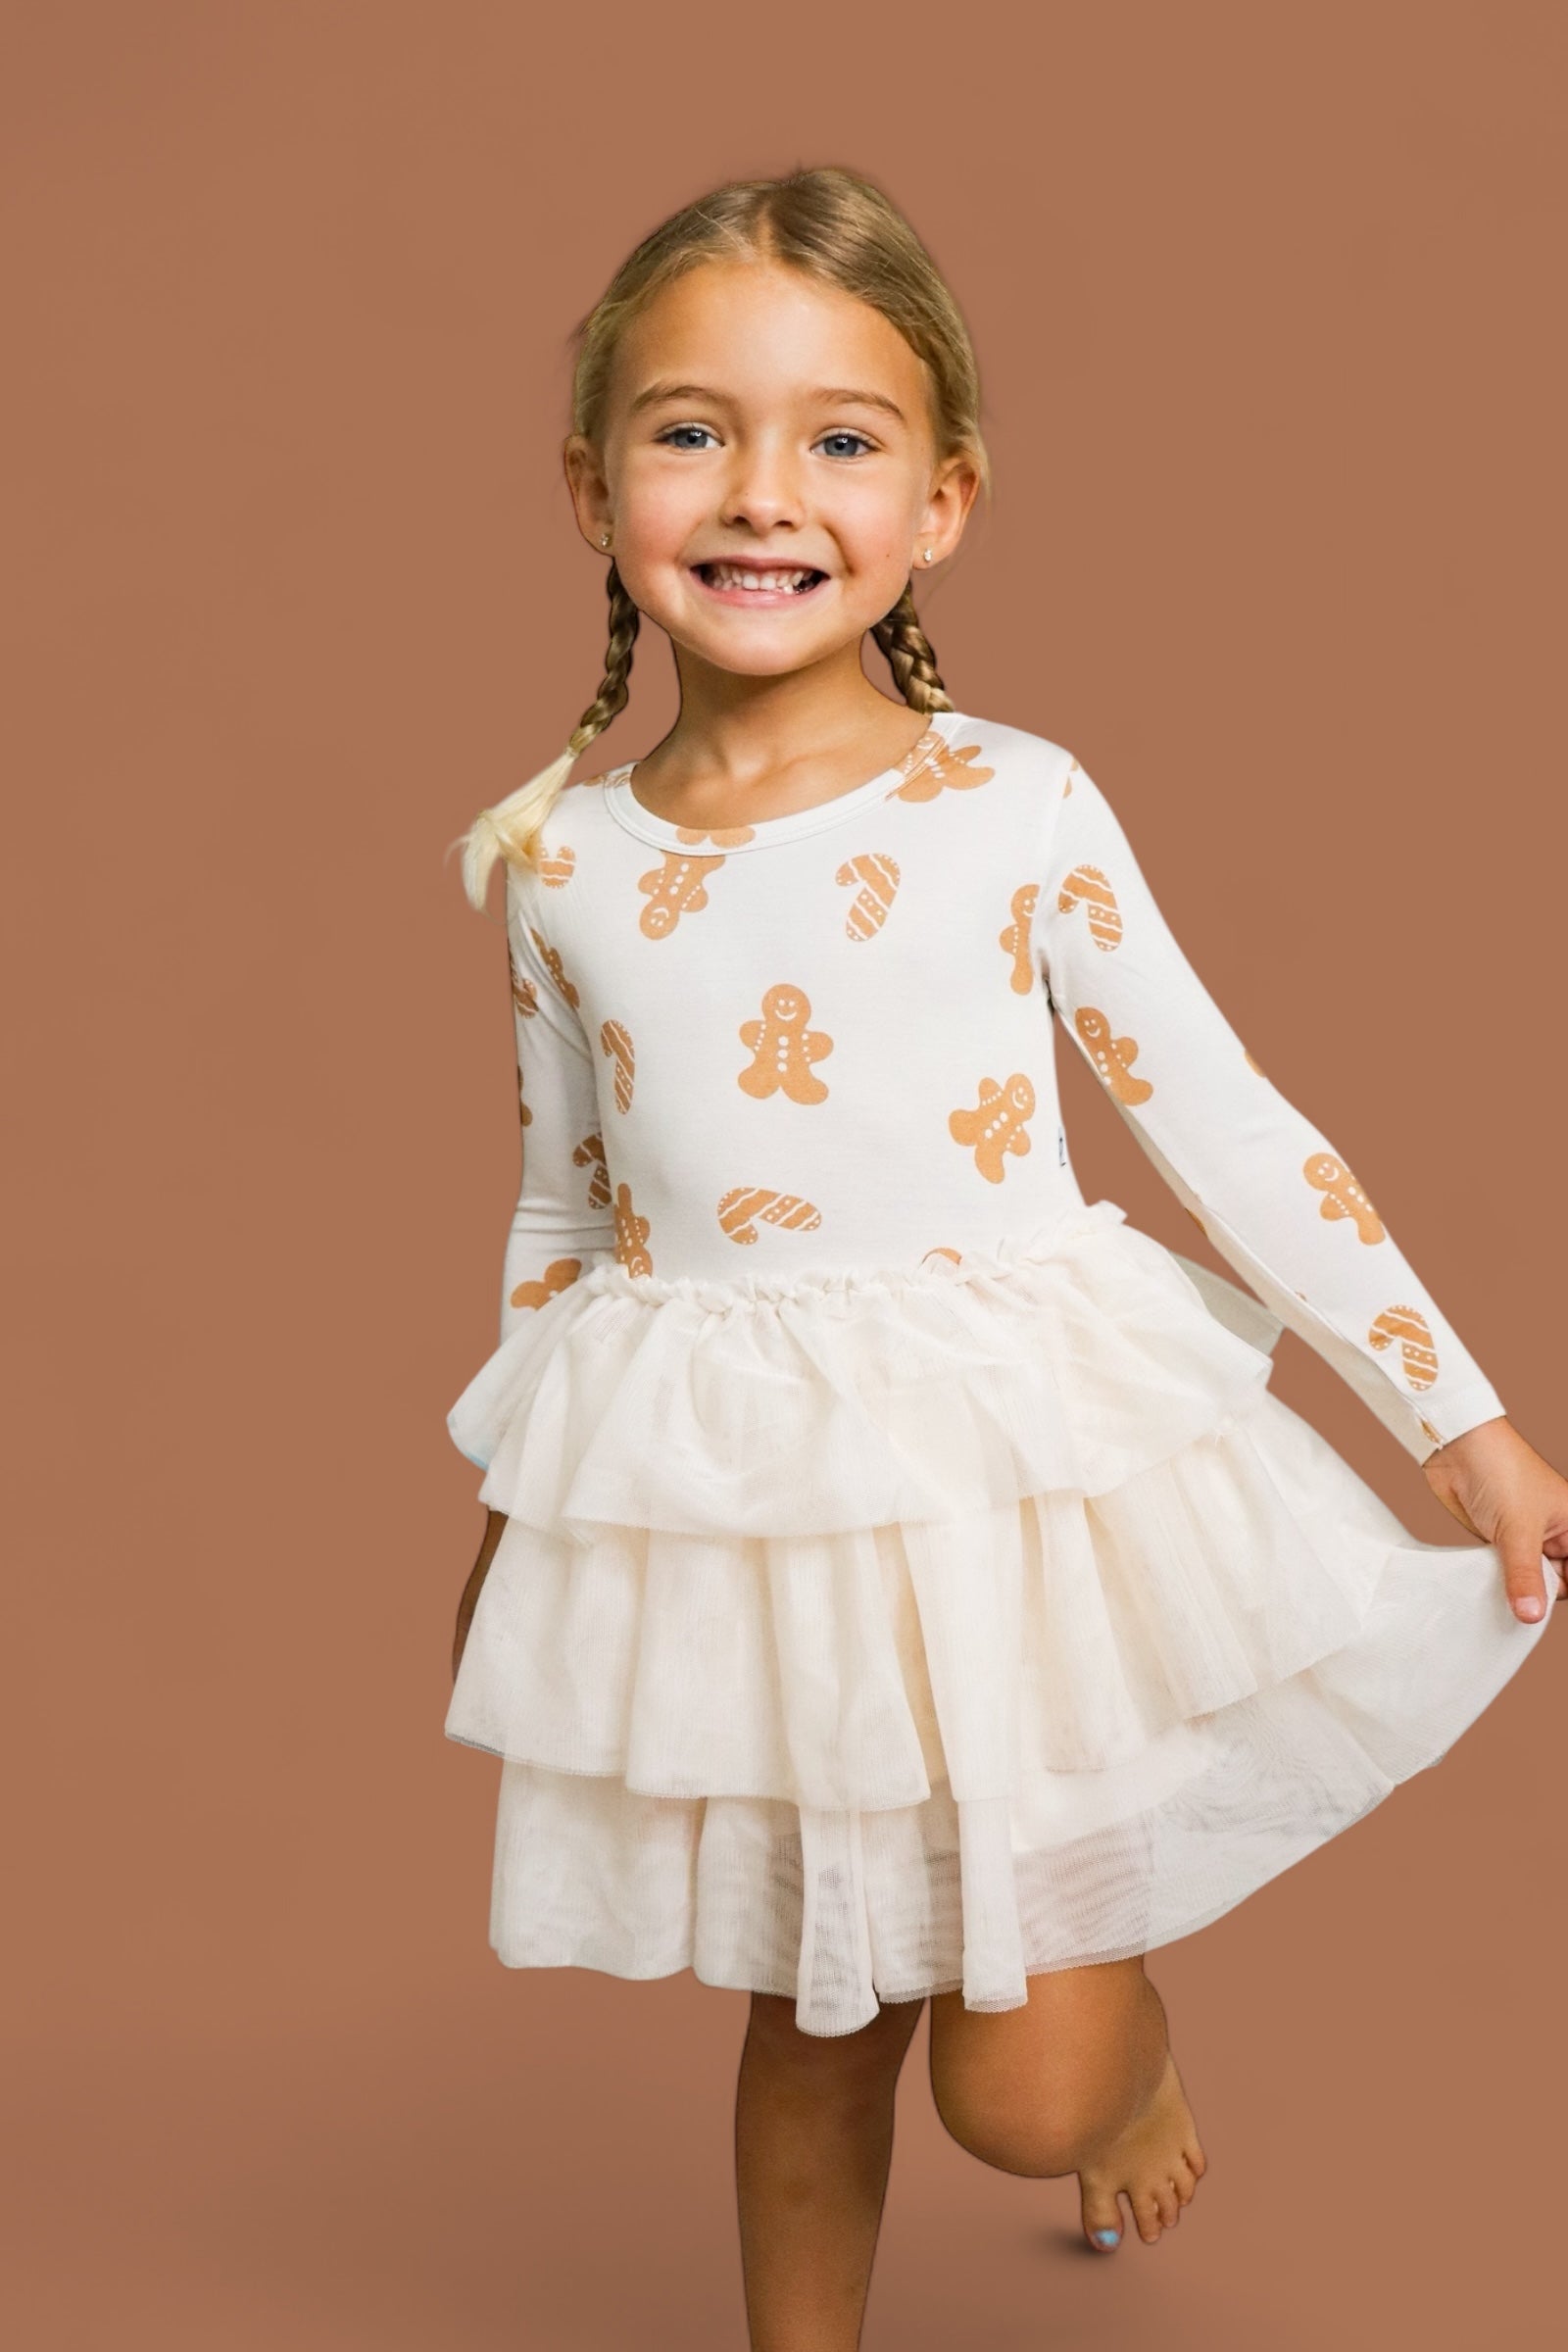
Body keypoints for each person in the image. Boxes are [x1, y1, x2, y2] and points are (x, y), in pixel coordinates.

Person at [441, 166, 1566, 2345]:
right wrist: (520, 1508)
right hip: (751, 1511)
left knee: (1022, 2091)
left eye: (840, 438)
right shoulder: (558, 862)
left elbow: (1222, 1124)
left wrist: (1459, 1419)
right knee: (811, 2010)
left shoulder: (1008, 807)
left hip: (1013, 1487)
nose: (761, 492)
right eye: (693, 431)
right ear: (591, 488)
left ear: (939, 501)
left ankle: (1125, 2066)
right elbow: (569, 1206)